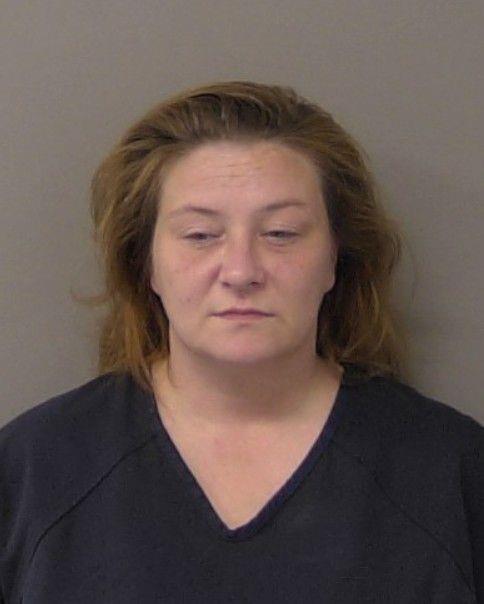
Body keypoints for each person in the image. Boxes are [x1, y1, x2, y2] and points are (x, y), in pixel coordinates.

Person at [1, 81, 482, 603]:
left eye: (281, 233)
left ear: (335, 258)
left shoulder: (450, 473)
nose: (241, 271)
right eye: (200, 235)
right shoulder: (35, 470)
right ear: (145, 263)